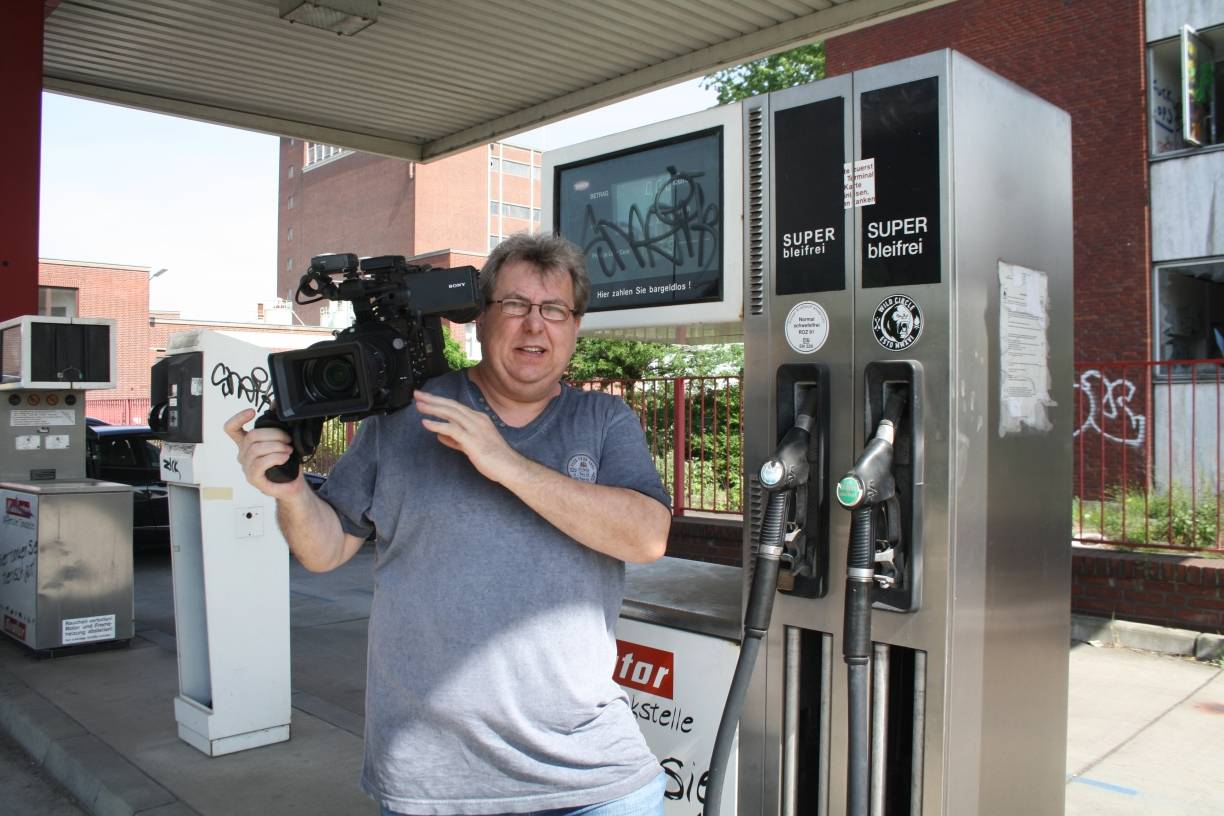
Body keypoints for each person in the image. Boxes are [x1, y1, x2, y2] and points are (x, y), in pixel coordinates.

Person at [225, 233, 672, 816]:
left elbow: (646, 536)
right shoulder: (406, 413)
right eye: (513, 306)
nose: (534, 326)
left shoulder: (603, 419)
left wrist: (504, 462)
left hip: (592, 779)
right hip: (431, 780)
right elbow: (325, 549)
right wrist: (286, 493)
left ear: (574, 326)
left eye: (554, 309)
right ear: (479, 321)